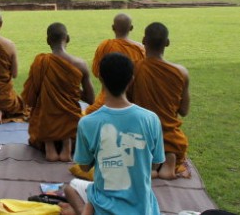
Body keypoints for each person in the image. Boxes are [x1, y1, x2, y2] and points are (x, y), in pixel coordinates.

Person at [61, 52, 165, 215]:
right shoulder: (150, 119)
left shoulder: (88, 122)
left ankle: (82, 211)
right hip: (143, 208)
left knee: (71, 187)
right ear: (131, 80)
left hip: (105, 206)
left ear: (100, 79)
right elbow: (156, 164)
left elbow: (84, 166)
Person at [22, 22, 95, 162]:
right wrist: (72, 90)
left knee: (43, 110)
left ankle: (49, 145)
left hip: (45, 125)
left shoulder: (40, 62)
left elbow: (30, 98)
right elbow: (91, 99)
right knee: (69, 120)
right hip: (72, 126)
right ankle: (66, 144)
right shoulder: (80, 64)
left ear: (48, 40)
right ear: (67, 38)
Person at [130, 22, 191, 180]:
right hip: (170, 137)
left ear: (144, 40)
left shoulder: (134, 69)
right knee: (169, 142)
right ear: (167, 43)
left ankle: (150, 164)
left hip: (140, 135)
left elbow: (126, 103)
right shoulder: (180, 72)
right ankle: (168, 159)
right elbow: (184, 111)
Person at [84, 13, 146, 115]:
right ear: (131, 28)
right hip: (133, 101)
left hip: (106, 101)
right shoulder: (141, 49)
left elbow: (97, 72)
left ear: (113, 27)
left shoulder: (106, 46)